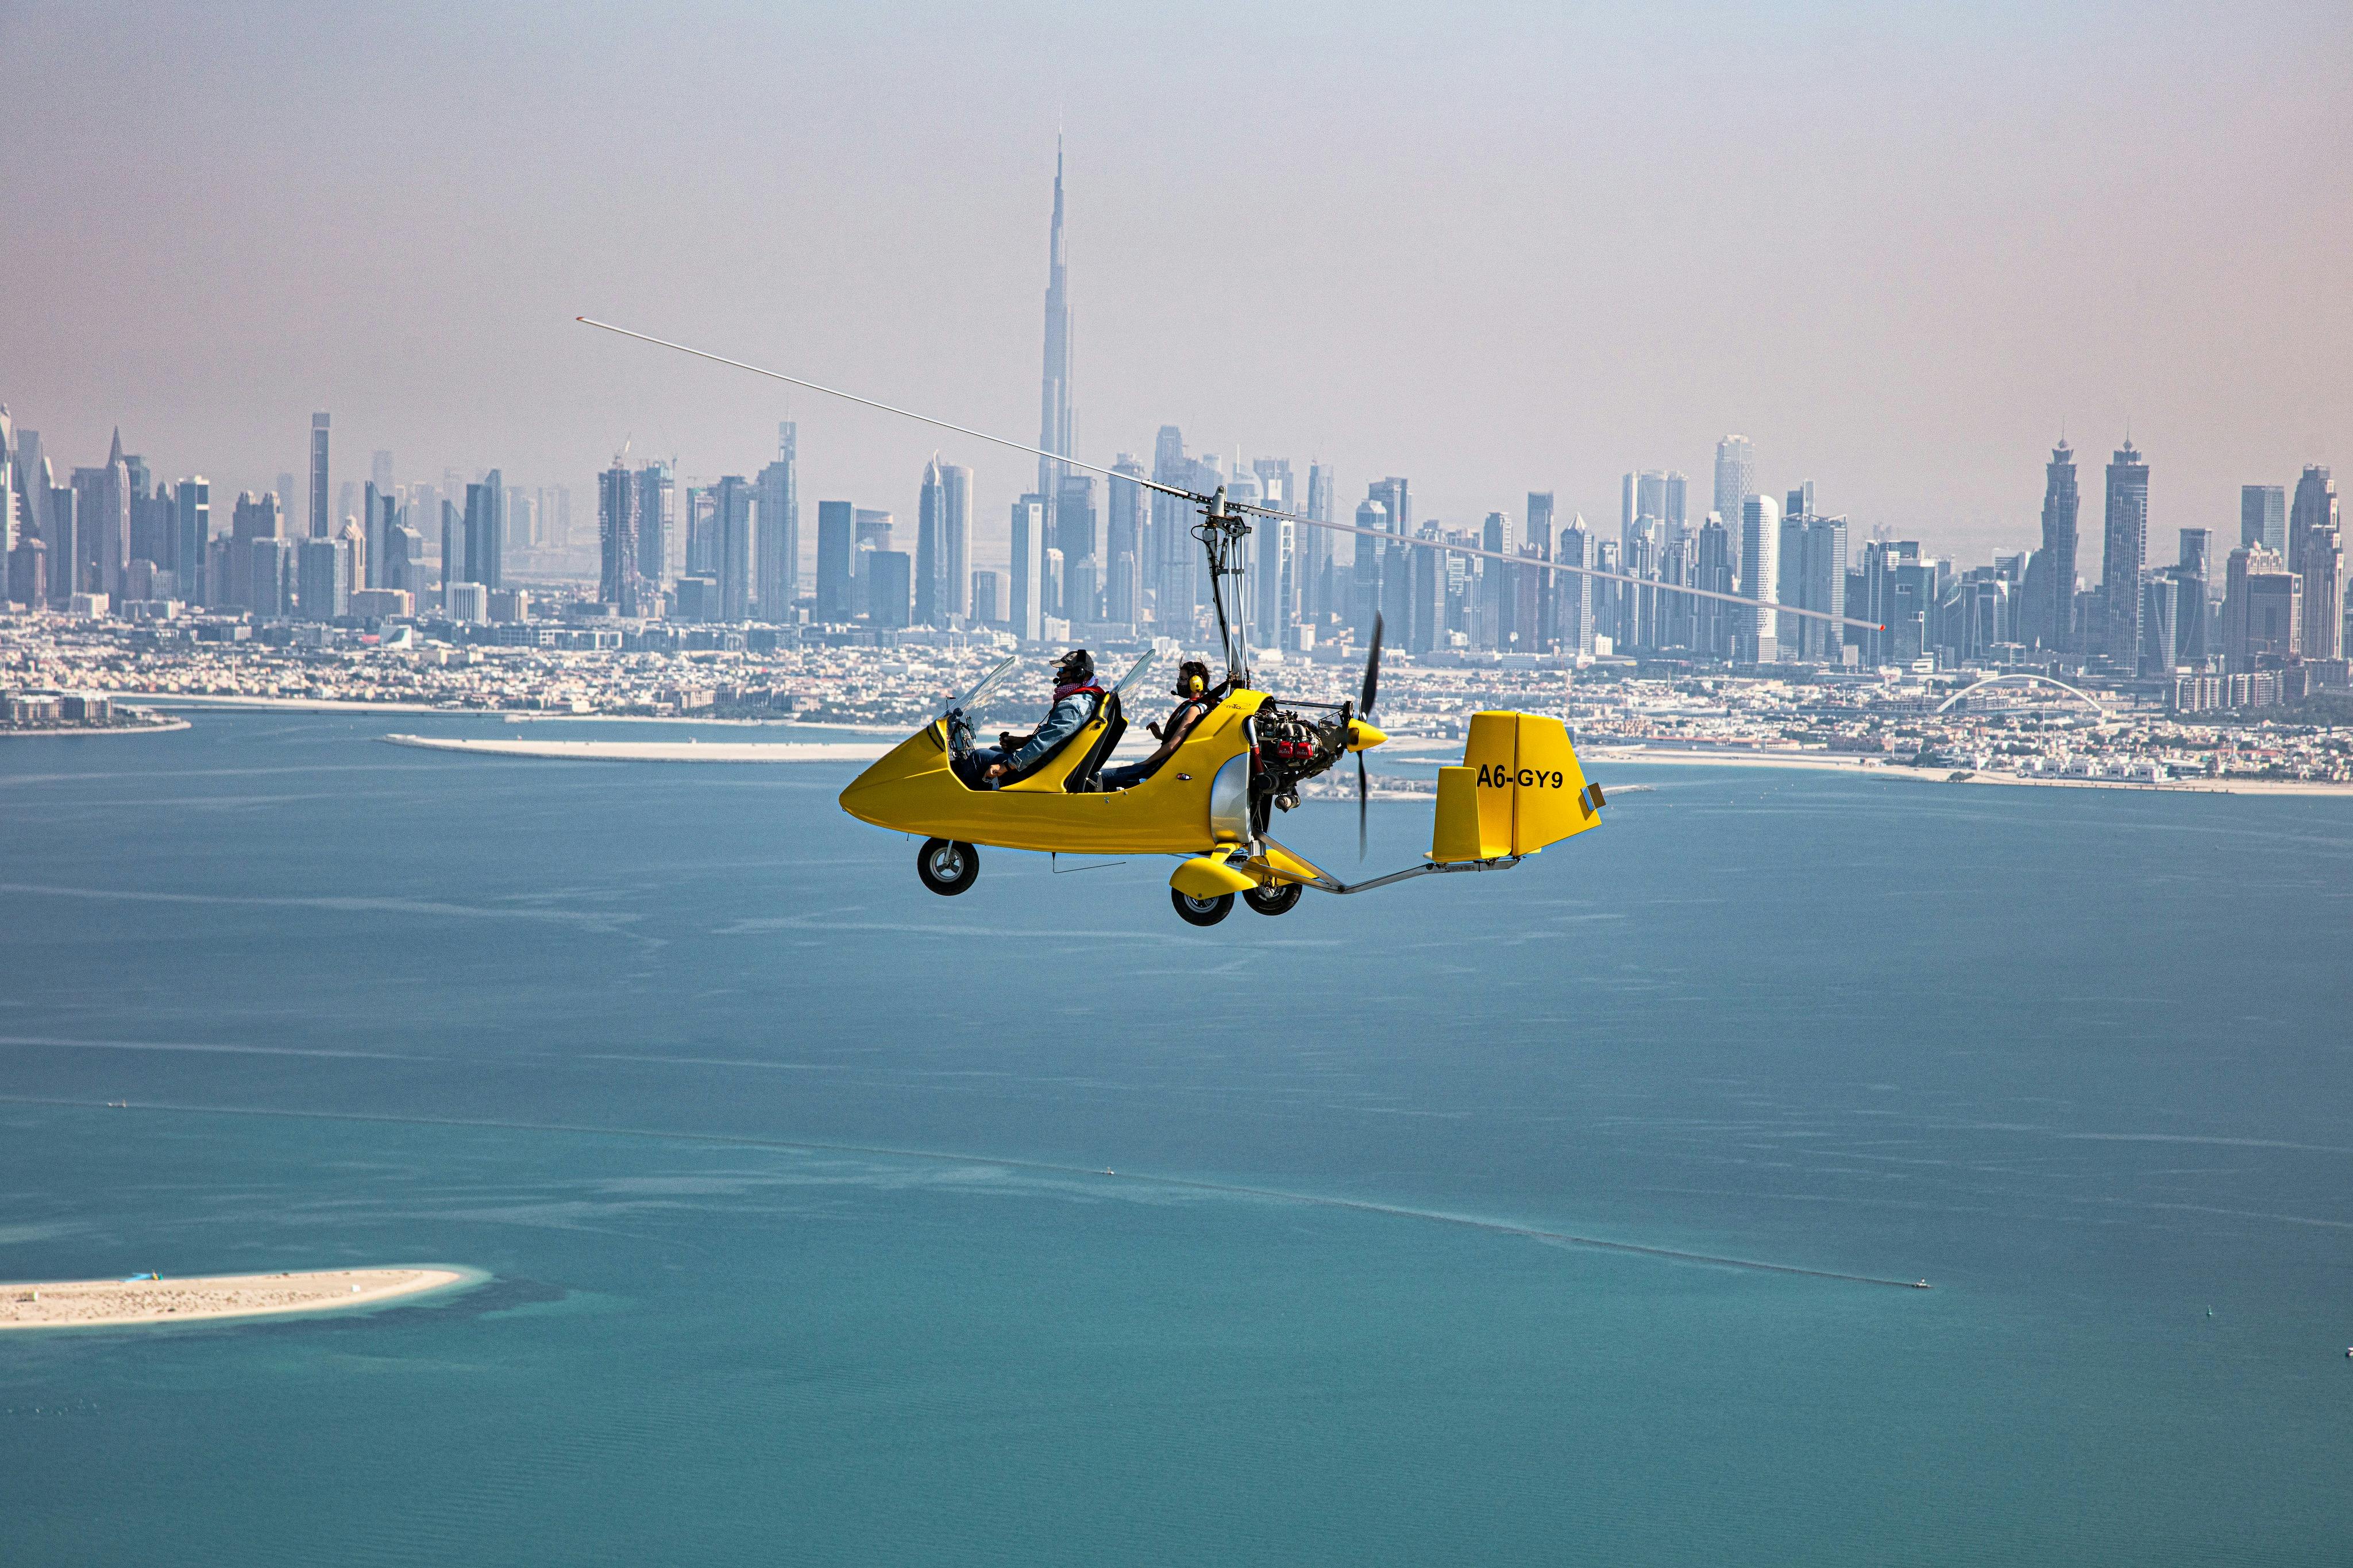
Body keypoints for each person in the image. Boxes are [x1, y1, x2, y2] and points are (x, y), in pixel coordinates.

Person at [960, 650, 1102, 787]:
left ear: (1079, 674)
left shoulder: (1072, 706)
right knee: (994, 749)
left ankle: (962, 806)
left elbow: (1042, 745)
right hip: (1051, 764)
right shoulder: (1089, 699)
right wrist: (1025, 741)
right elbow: (1056, 738)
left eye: (1062, 671)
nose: (1059, 675)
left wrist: (1006, 766)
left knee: (978, 757)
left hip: (1042, 770)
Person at [1097, 659, 1216, 791]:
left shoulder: (1194, 709)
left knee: (1100, 778)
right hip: (1164, 766)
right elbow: (1184, 740)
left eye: (1182, 679)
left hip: (1160, 768)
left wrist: (1146, 762)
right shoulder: (1198, 706)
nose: (1179, 683)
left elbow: (1172, 746)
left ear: (1195, 683)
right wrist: (1161, 736)